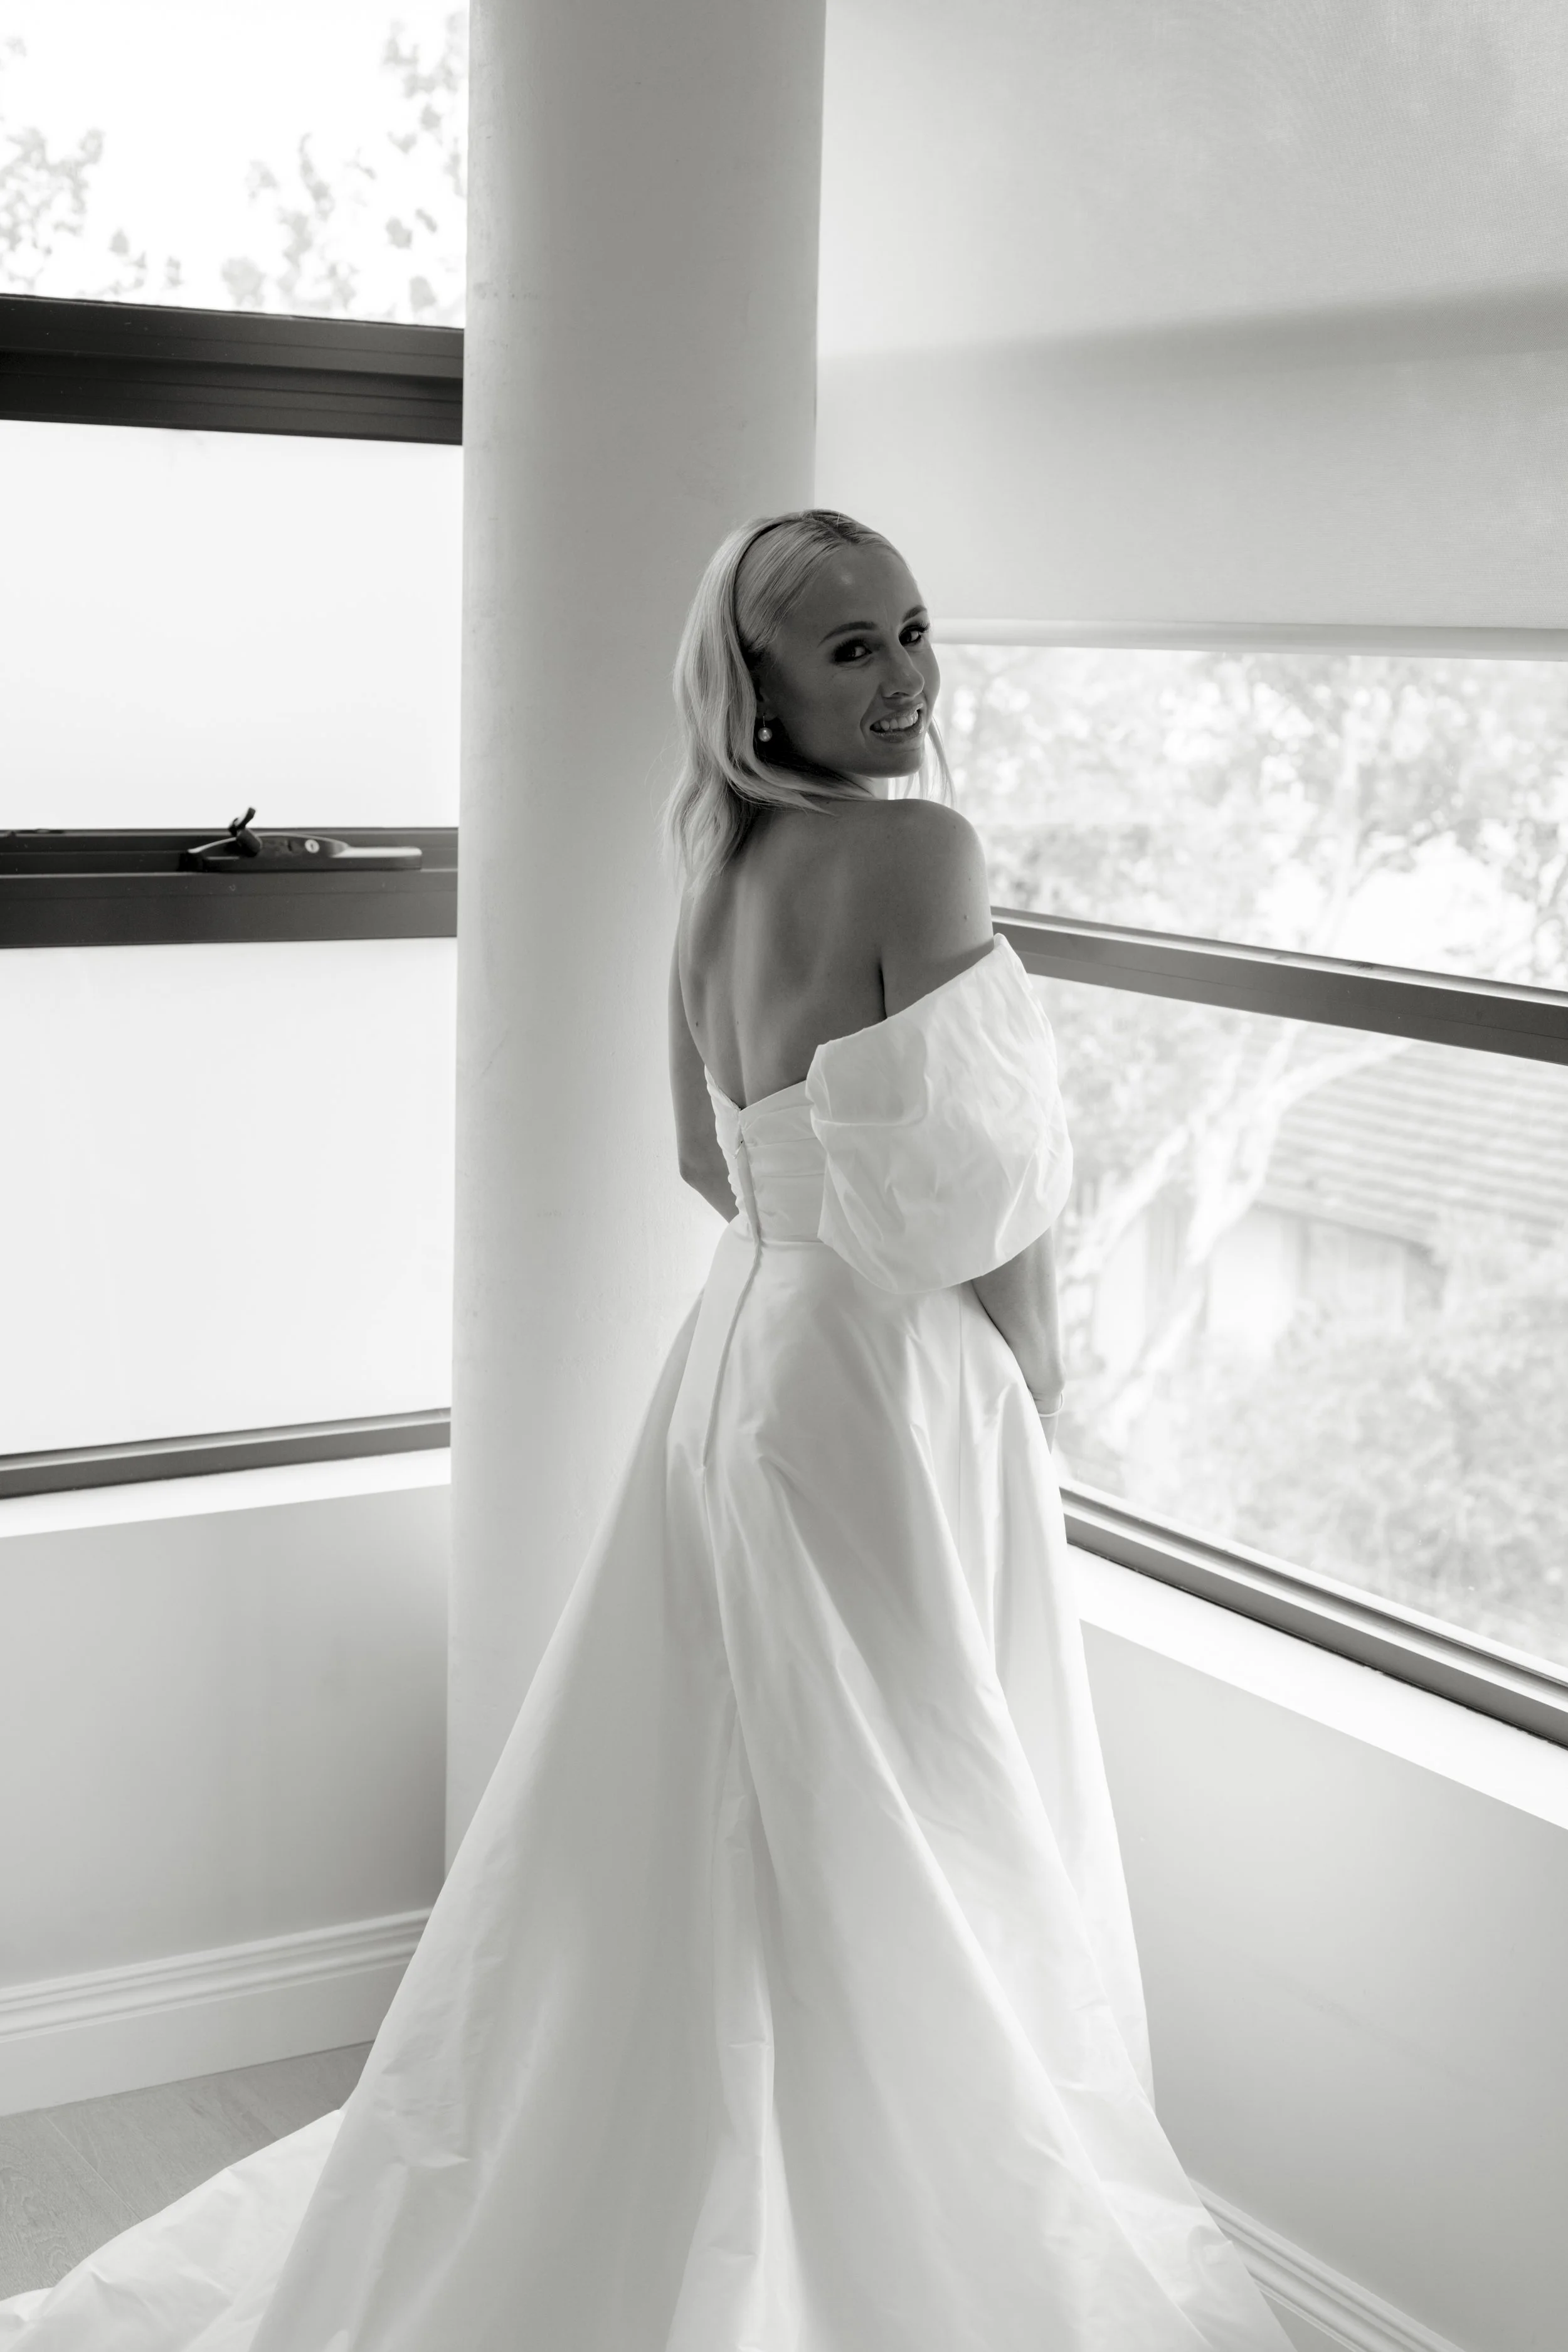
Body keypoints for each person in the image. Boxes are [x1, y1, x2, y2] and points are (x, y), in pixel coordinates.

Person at [0, 511, 1290, 2351]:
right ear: (754, 684)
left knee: (735, 1803)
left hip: (744, 1351)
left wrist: (807, 1252)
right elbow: (985, 1188)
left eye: (914, 629)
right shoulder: (920, 849)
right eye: (849, 647)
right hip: (883, 1378)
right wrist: (1036, 1381)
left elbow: (708, 1157)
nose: (905, 675)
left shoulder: (717, 870)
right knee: (907, 1807)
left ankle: (679, 2204)